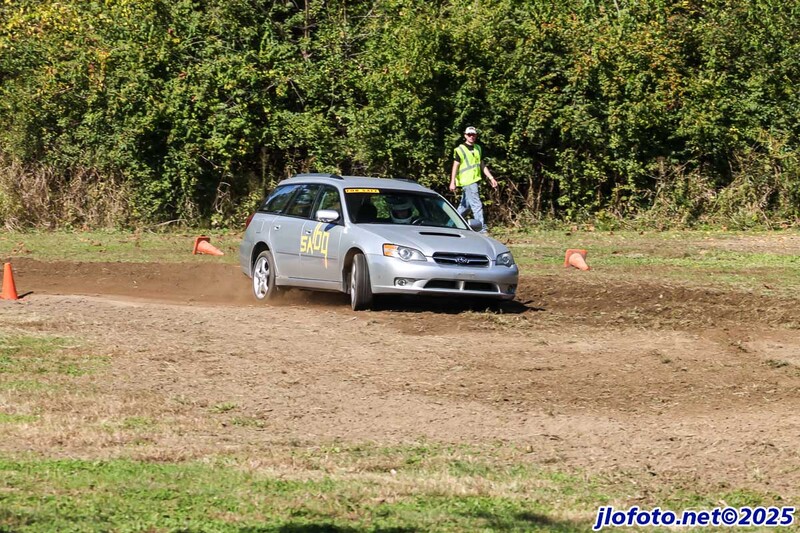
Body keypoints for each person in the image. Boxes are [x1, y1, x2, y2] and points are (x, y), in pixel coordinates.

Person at [450, 126, 497, 233]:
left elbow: (481, 164)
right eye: (469, 134)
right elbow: (455, 166)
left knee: (465, 207)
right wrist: (452, 182)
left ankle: (449, 225)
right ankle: (481, 230)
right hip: (467, 181)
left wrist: (491, 177)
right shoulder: (460, 149)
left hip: (475, 180)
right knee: (477, 205)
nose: (471, 136)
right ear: (465, 135)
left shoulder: (478, 148)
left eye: (473, 134)